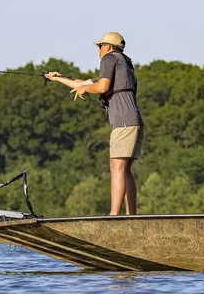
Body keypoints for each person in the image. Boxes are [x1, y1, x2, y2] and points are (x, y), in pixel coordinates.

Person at [45, 31, 144, 216]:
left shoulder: (109, 59)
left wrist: (85, 88)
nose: (99, 51)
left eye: (100, 46)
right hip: (133, 120)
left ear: (107, 46)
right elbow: (83, 83)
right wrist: (56, 77)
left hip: (123, 121)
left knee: (116, 167)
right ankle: (132, 216)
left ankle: (114, 215)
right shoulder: (122, 64)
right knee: (125, 169)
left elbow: (101, 87)